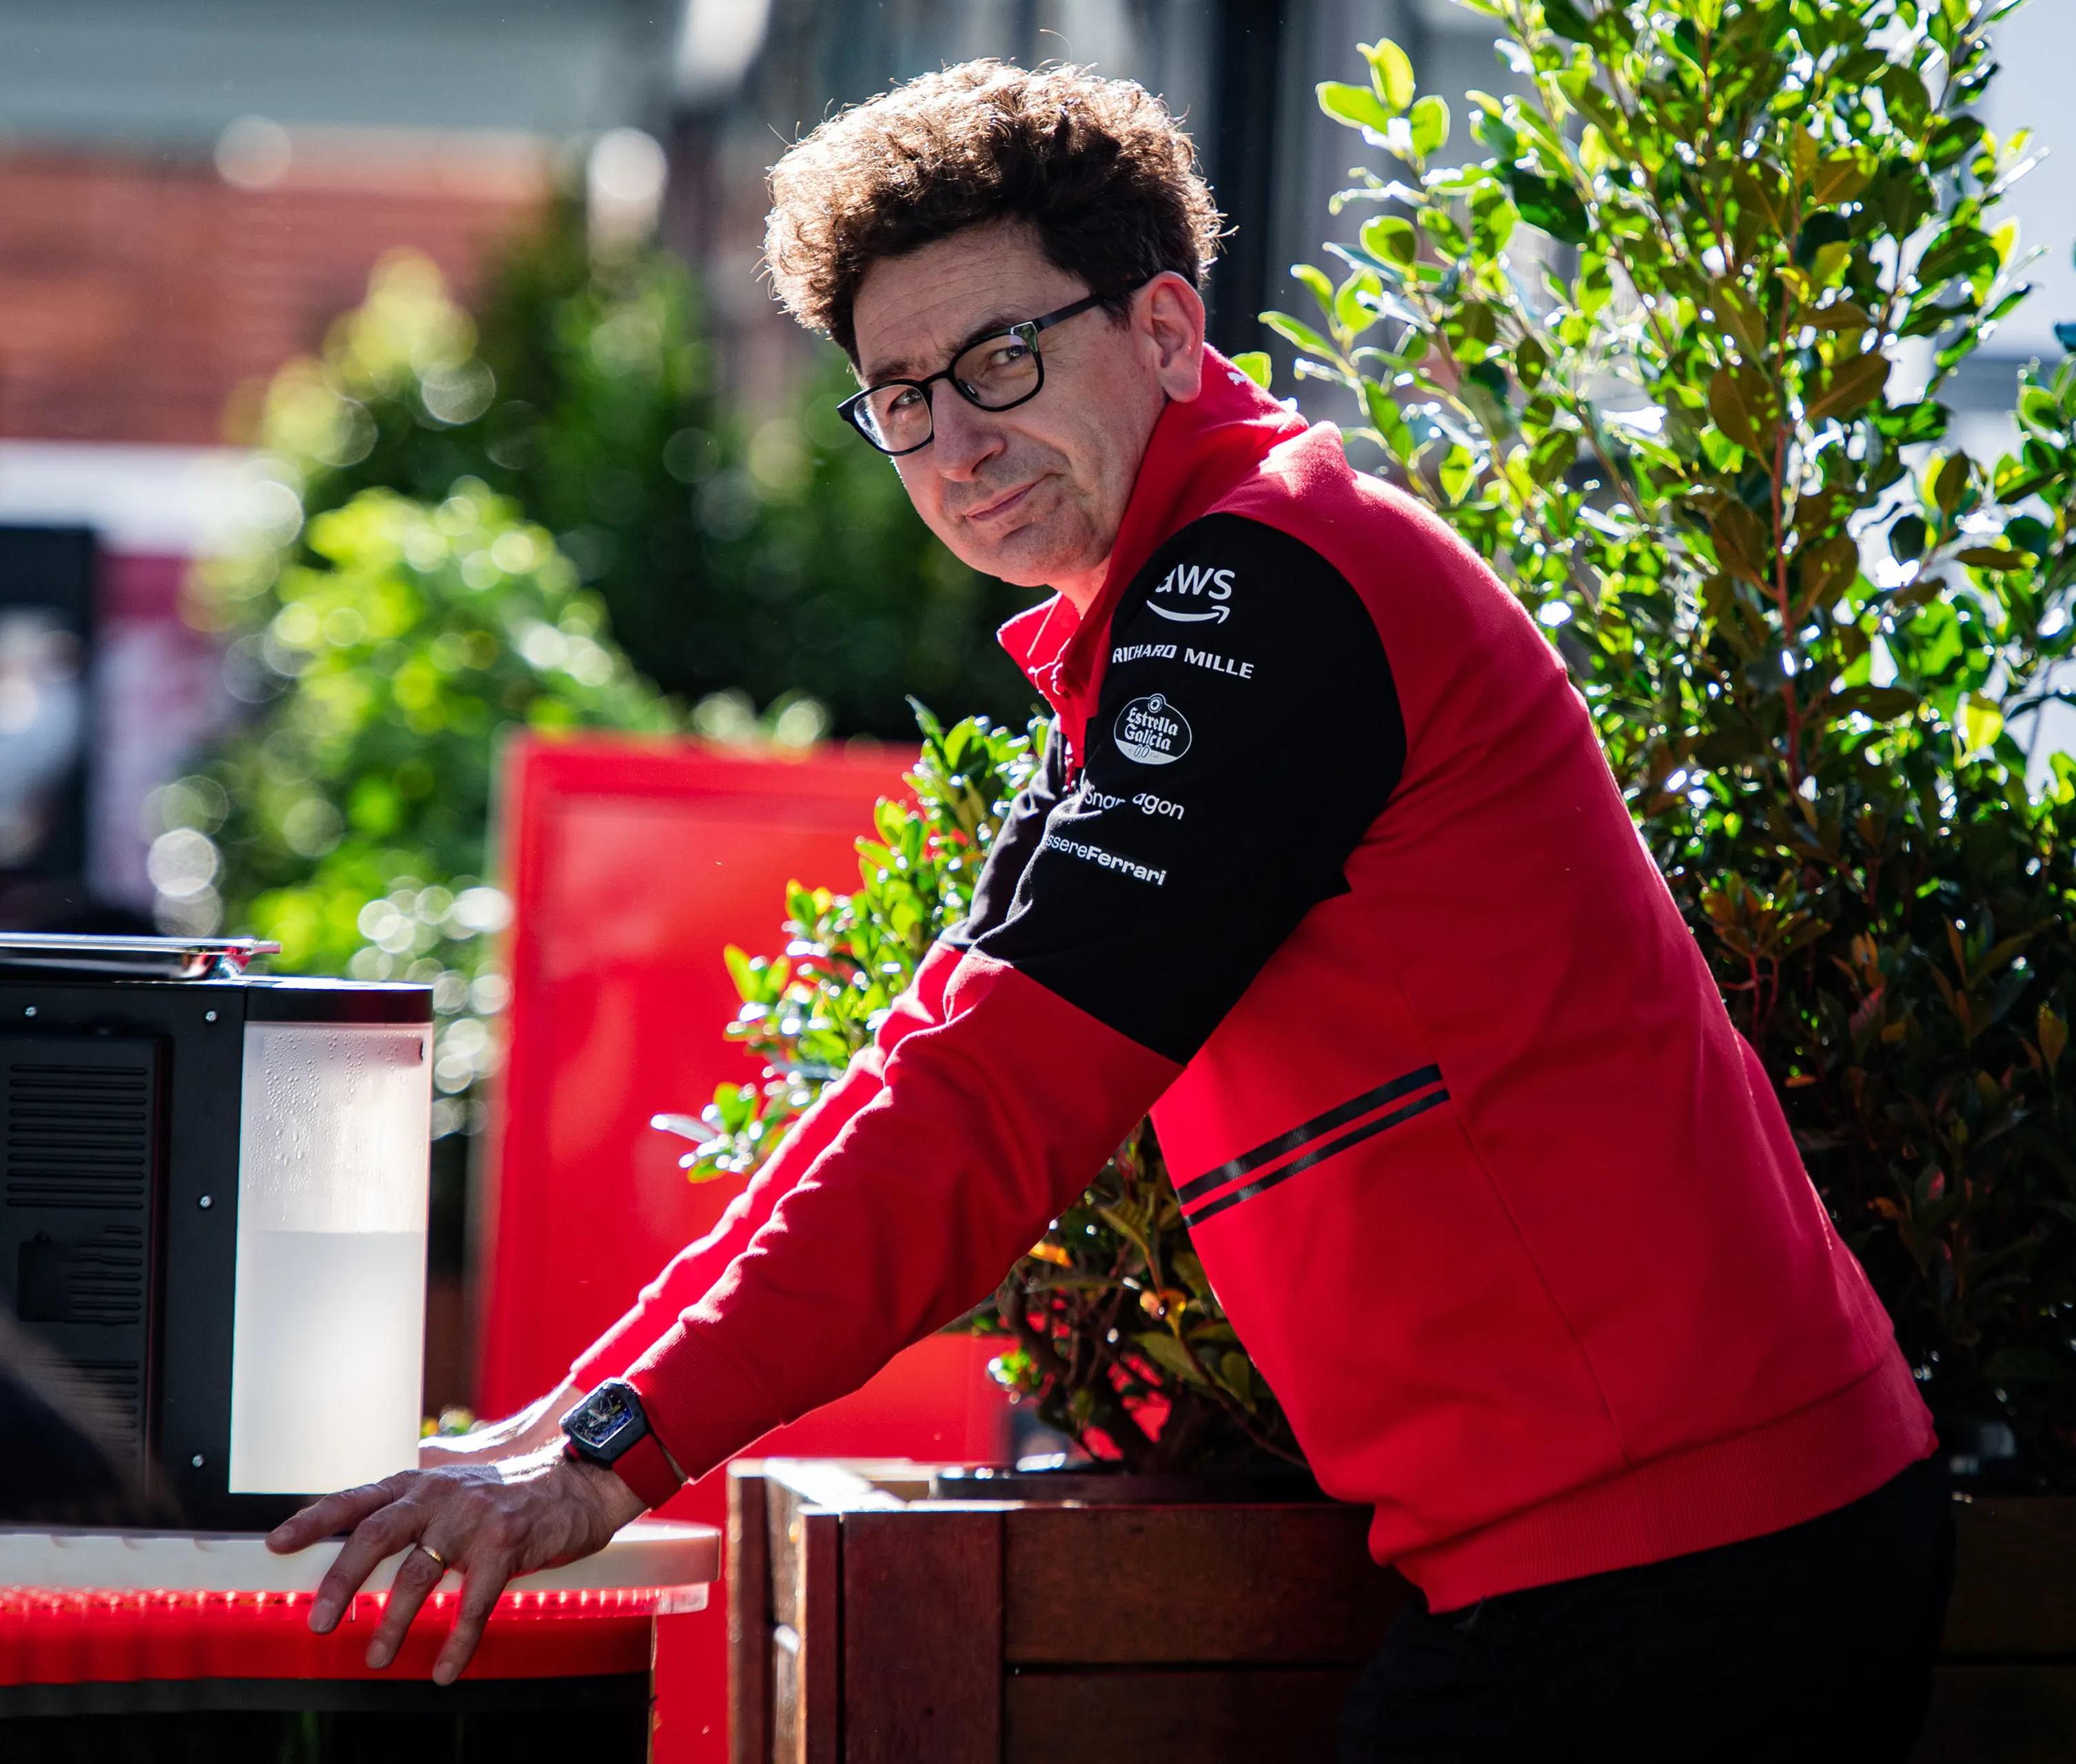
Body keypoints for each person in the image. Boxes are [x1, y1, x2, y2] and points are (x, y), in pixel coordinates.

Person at [269, 60, 1951, 1759]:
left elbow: (994, 1100)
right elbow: (931, 1050)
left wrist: (609, 1456)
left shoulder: (1263, 585)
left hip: (1687, 1561)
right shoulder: (1177, 602)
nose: (956, 442)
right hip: (1642, 1550)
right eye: (902, 395)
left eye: (1001, 357)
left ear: (1164, 328)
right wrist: (581, 1416)